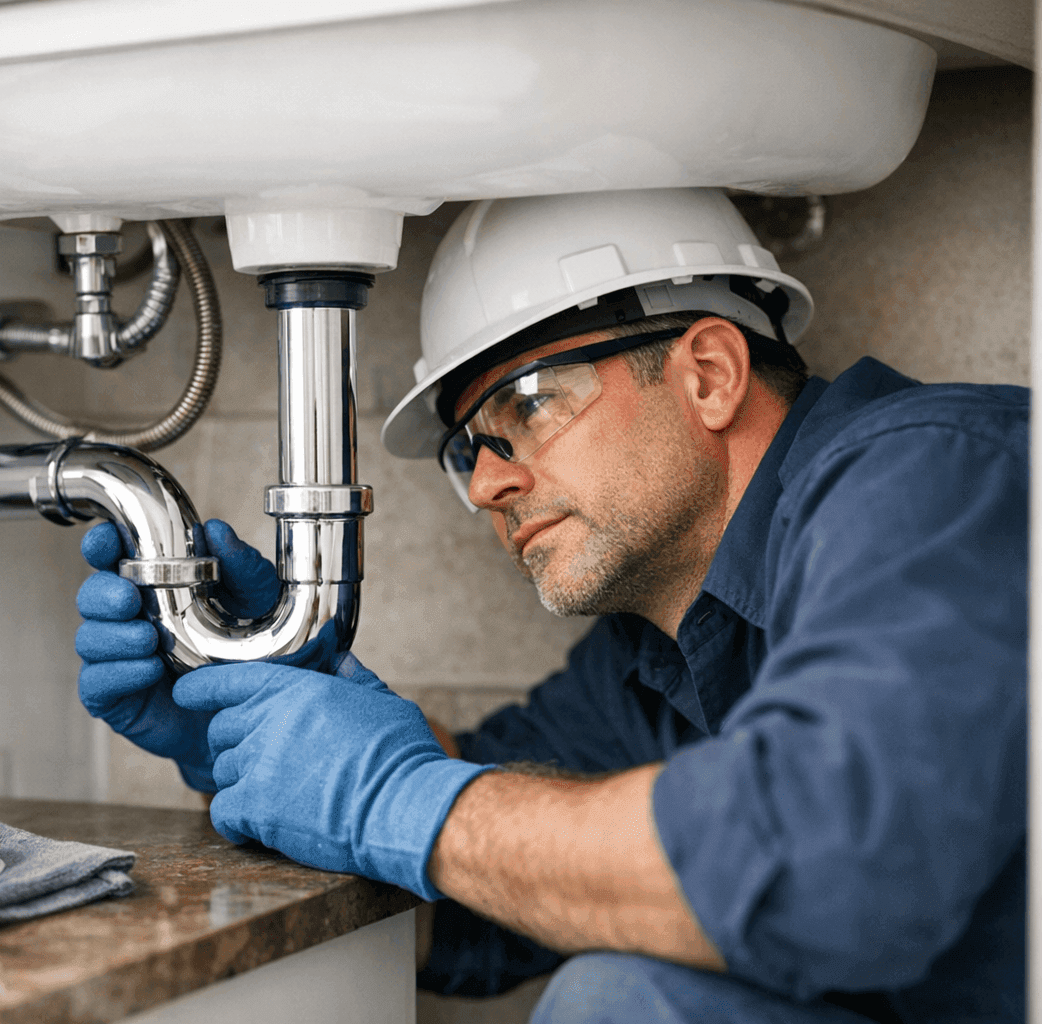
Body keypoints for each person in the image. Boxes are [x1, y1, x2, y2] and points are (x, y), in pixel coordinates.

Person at [73, 189, 1026, 1024]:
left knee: (617, 1004)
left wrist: (390, 796)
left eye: (529, 402)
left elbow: (835, 872)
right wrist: (248, 726)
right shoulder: (652, 657)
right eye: (468, 450)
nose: (489, 484)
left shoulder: (937, 475)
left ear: (709, 374)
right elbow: (478, 891)